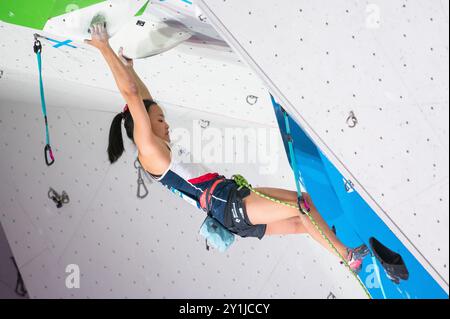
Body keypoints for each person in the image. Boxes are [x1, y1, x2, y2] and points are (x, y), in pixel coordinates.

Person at [85, 23, 369, 273]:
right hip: (228, 204)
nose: (167, 124)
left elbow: (142, 96)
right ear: (143, 125)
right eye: (160, 120)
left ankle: (343, 252)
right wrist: (104, 48)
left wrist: (128, 68)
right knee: (301, 204)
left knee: (298, 221)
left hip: (228, 210)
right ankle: (348, 255)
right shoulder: (149, 150)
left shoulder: (157, 147)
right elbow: (132, 96)